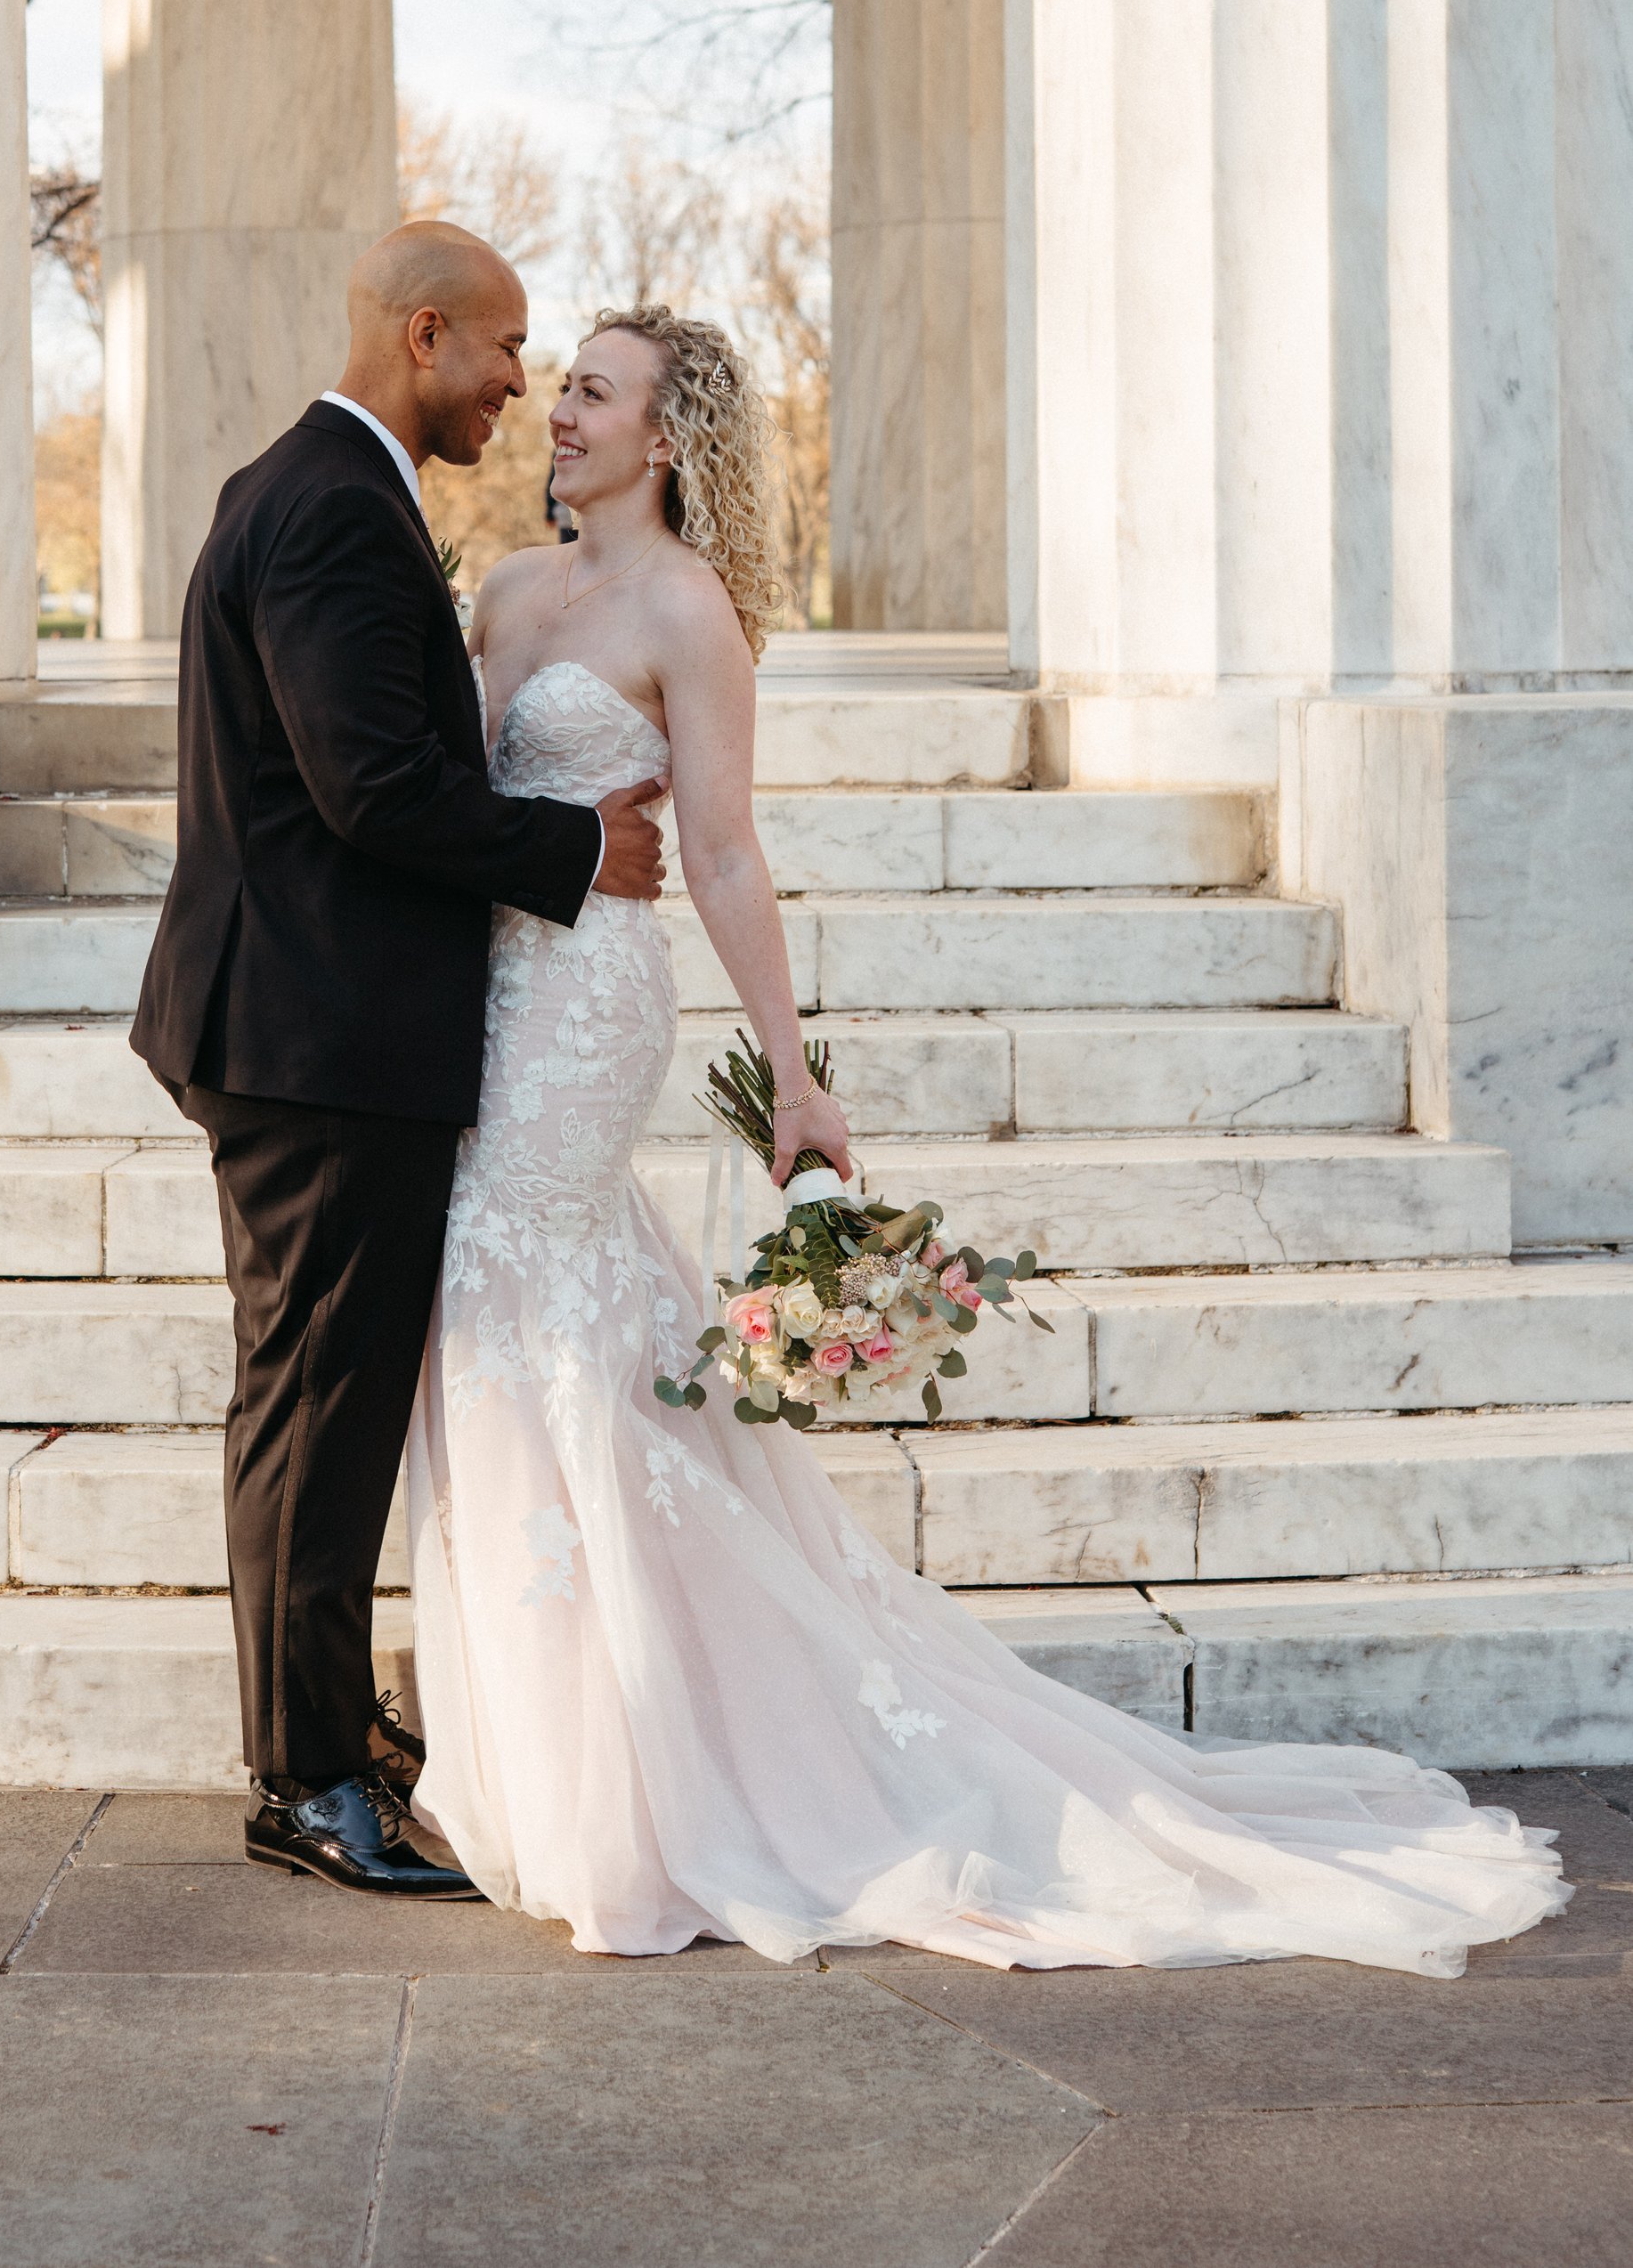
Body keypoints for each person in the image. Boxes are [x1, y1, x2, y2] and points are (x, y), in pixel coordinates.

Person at [402, 301, 1569, 1971]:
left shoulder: (688, 615)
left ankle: (647, 1774)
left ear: (666, 438)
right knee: (496, 1329)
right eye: (563, 387)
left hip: (585, 1013)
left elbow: (724, 852)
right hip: (477, 995)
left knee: (545, 1325)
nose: (557, 411)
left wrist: (796, 1079)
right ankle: (547, 1739)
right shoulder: (505, 591)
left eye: (590, 391)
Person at [134, 222, 668, 1898]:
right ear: (424, 334)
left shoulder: (304, 490)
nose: (520, 383)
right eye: (505, 351)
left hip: (308, 1022)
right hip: (316, 1036)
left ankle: (326, 1727)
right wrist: (574, 851)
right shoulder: (334, 514)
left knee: (328, 1403)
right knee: (309, 1406)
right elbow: (370, 786)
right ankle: (304, 1780)